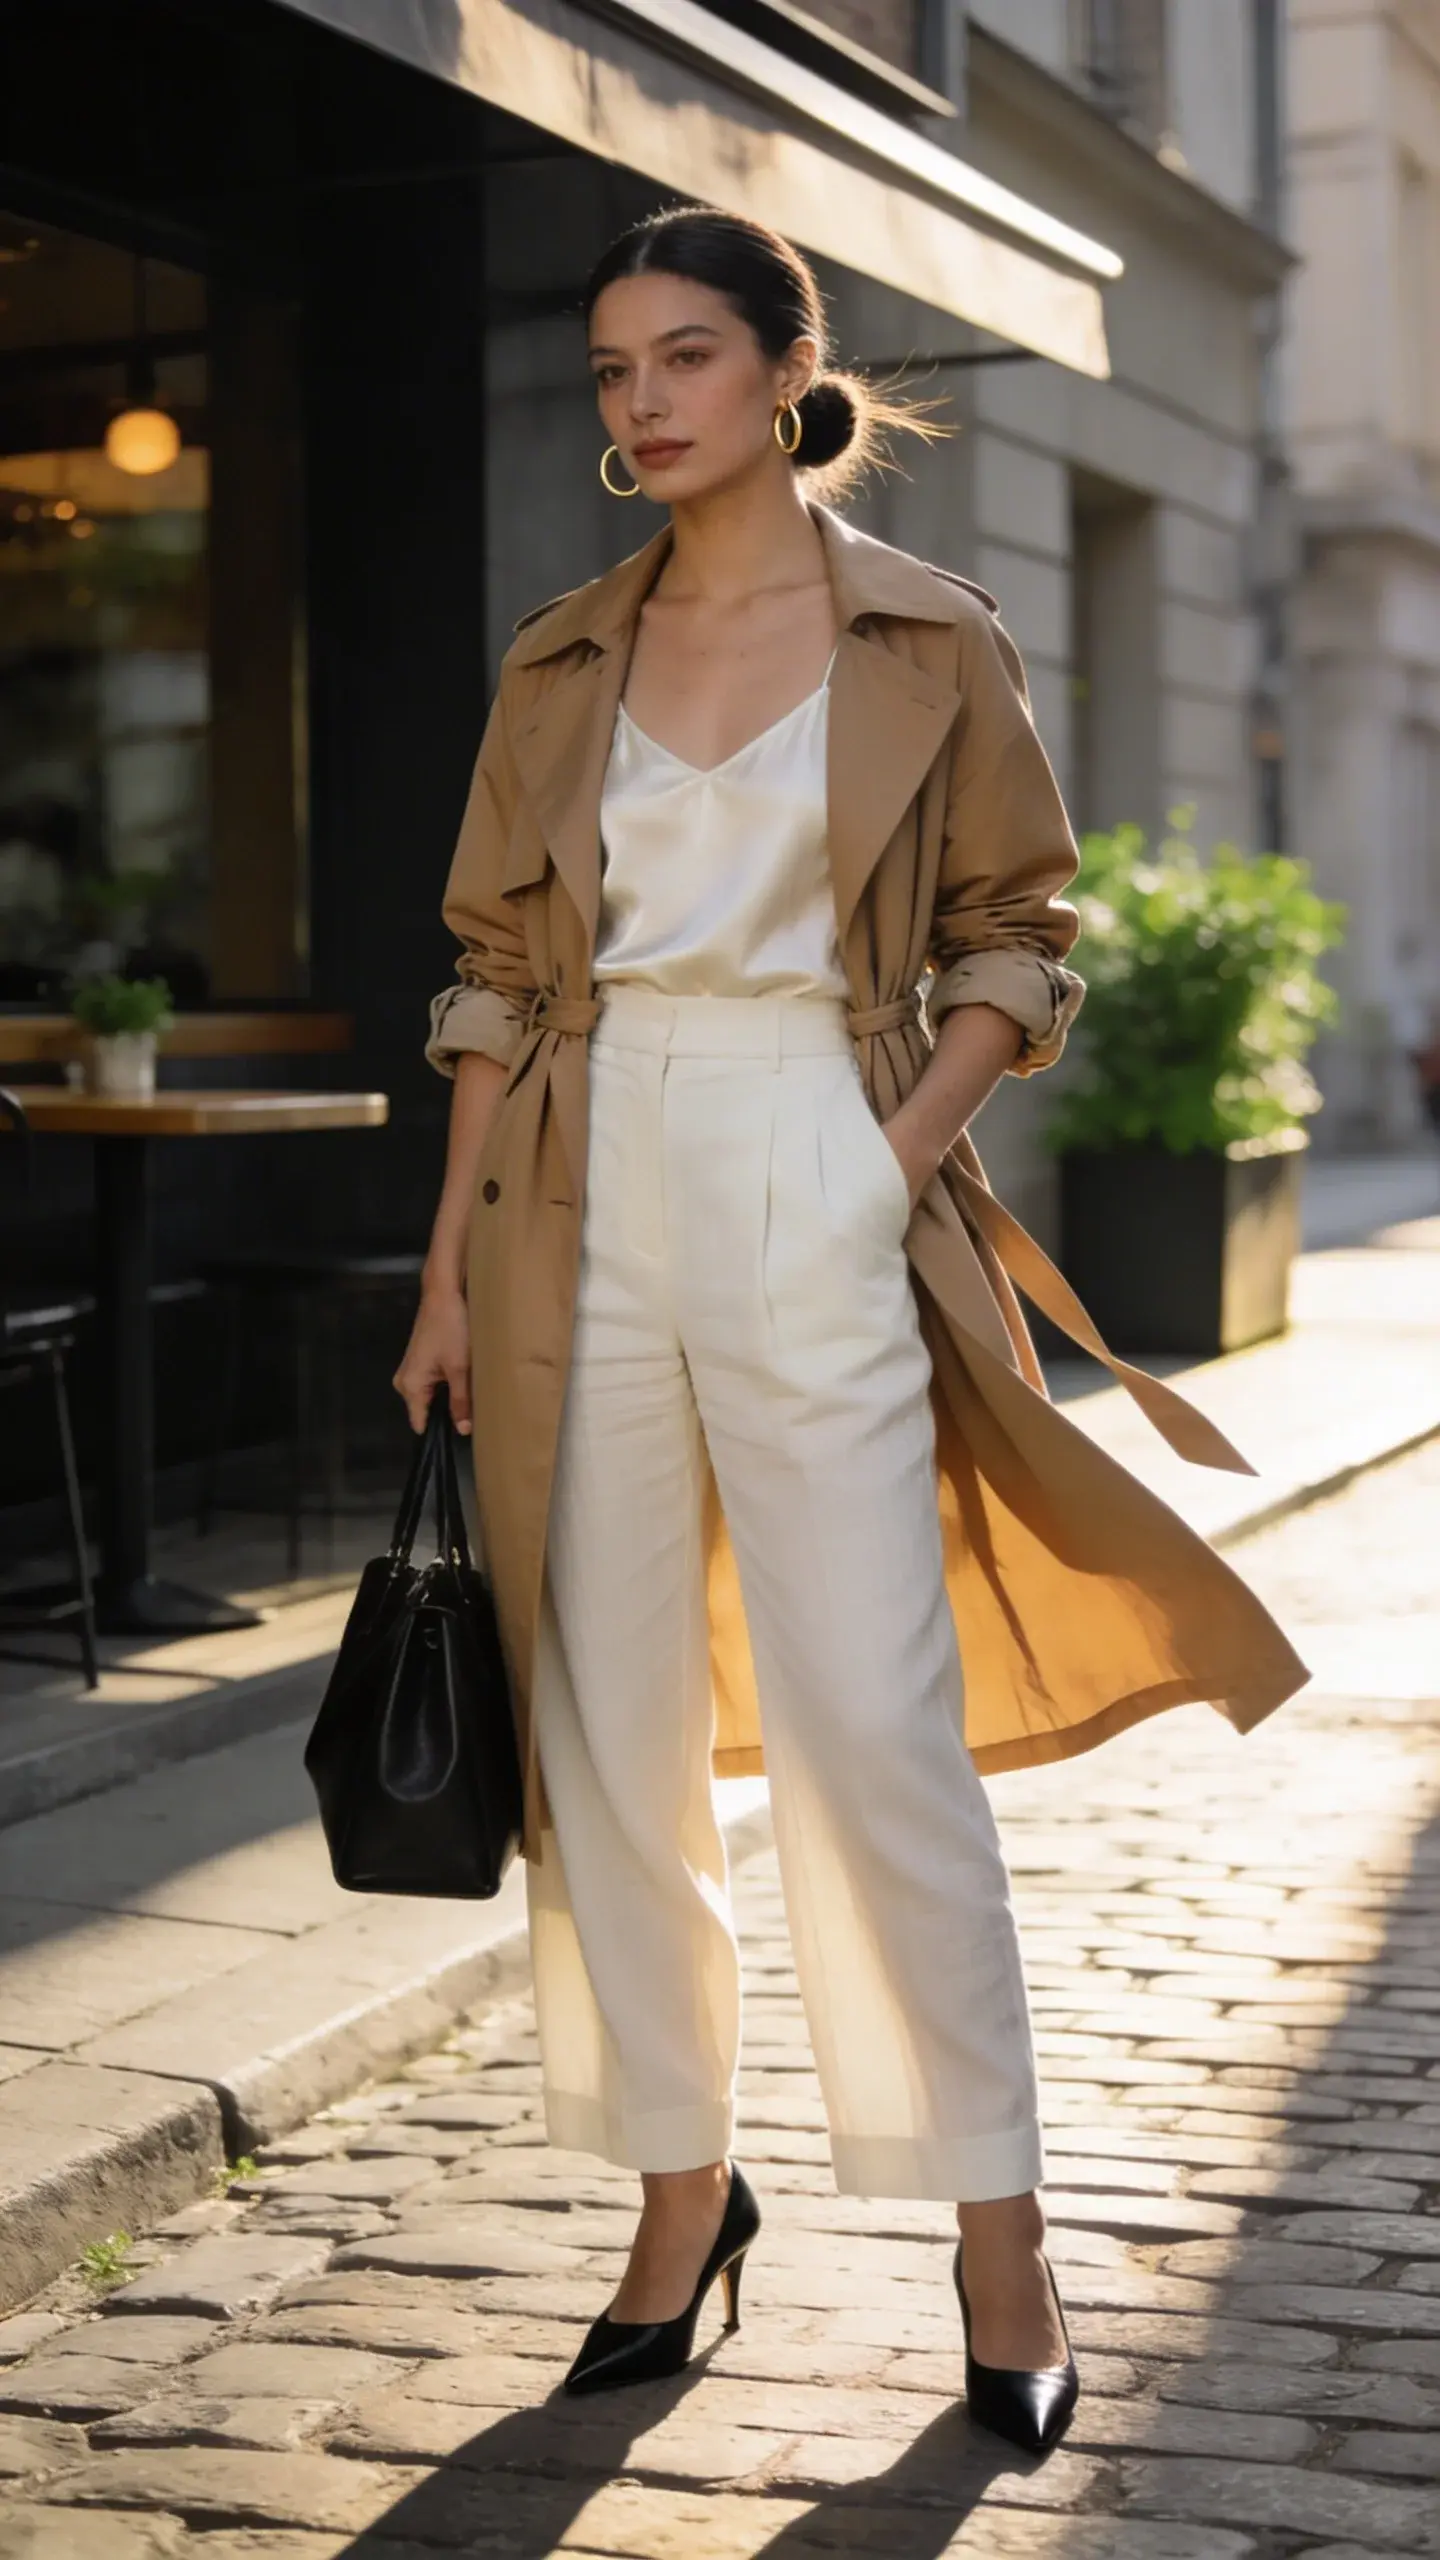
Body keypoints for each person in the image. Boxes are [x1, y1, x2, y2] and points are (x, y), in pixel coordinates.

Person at [395, 206, 1307, 2456]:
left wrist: (886, 1156)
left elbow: (1021, 927)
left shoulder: (929, 635)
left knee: (871, 1729)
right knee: (602, 1719)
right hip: (575, 1194)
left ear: (792, 367)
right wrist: (440, 1265)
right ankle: (677, 2191)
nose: (641, 401)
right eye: (612, 366)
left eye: (685, 356)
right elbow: (496, 982)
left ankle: (1000, 2232)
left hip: (821, 1140)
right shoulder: (556, 662)